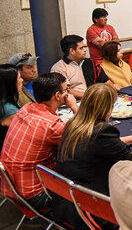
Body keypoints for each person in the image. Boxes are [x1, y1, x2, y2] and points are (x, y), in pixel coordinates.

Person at [53, 84, 132, 229]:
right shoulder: (103, 132)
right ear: (107, 108)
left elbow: (99, 144)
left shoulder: (73, 124)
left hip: (64, 202)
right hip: (94, 208)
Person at [1, 73, 78, 209]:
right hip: (36, 194)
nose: (68, 94)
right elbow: (84, 136)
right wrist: (74, 107)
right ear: (57, 96)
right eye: (66, 90)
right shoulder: (52, 126)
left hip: (11, 186)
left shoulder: (26, 109)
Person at [51, 35, 119, 100]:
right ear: (72, 51)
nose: (85, 50)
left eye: (84, 47)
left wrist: (112, 86)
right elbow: (66, 91)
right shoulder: (59, 68)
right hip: (75, 102)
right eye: (81, 48)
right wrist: (89, 96)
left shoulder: (90, 63)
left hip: (95, 99)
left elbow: (105, 81)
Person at [0, 65, 22, 153]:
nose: (22, 81)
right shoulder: (9, 110)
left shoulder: (5, 103)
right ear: (10, 84)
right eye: (19, 78)